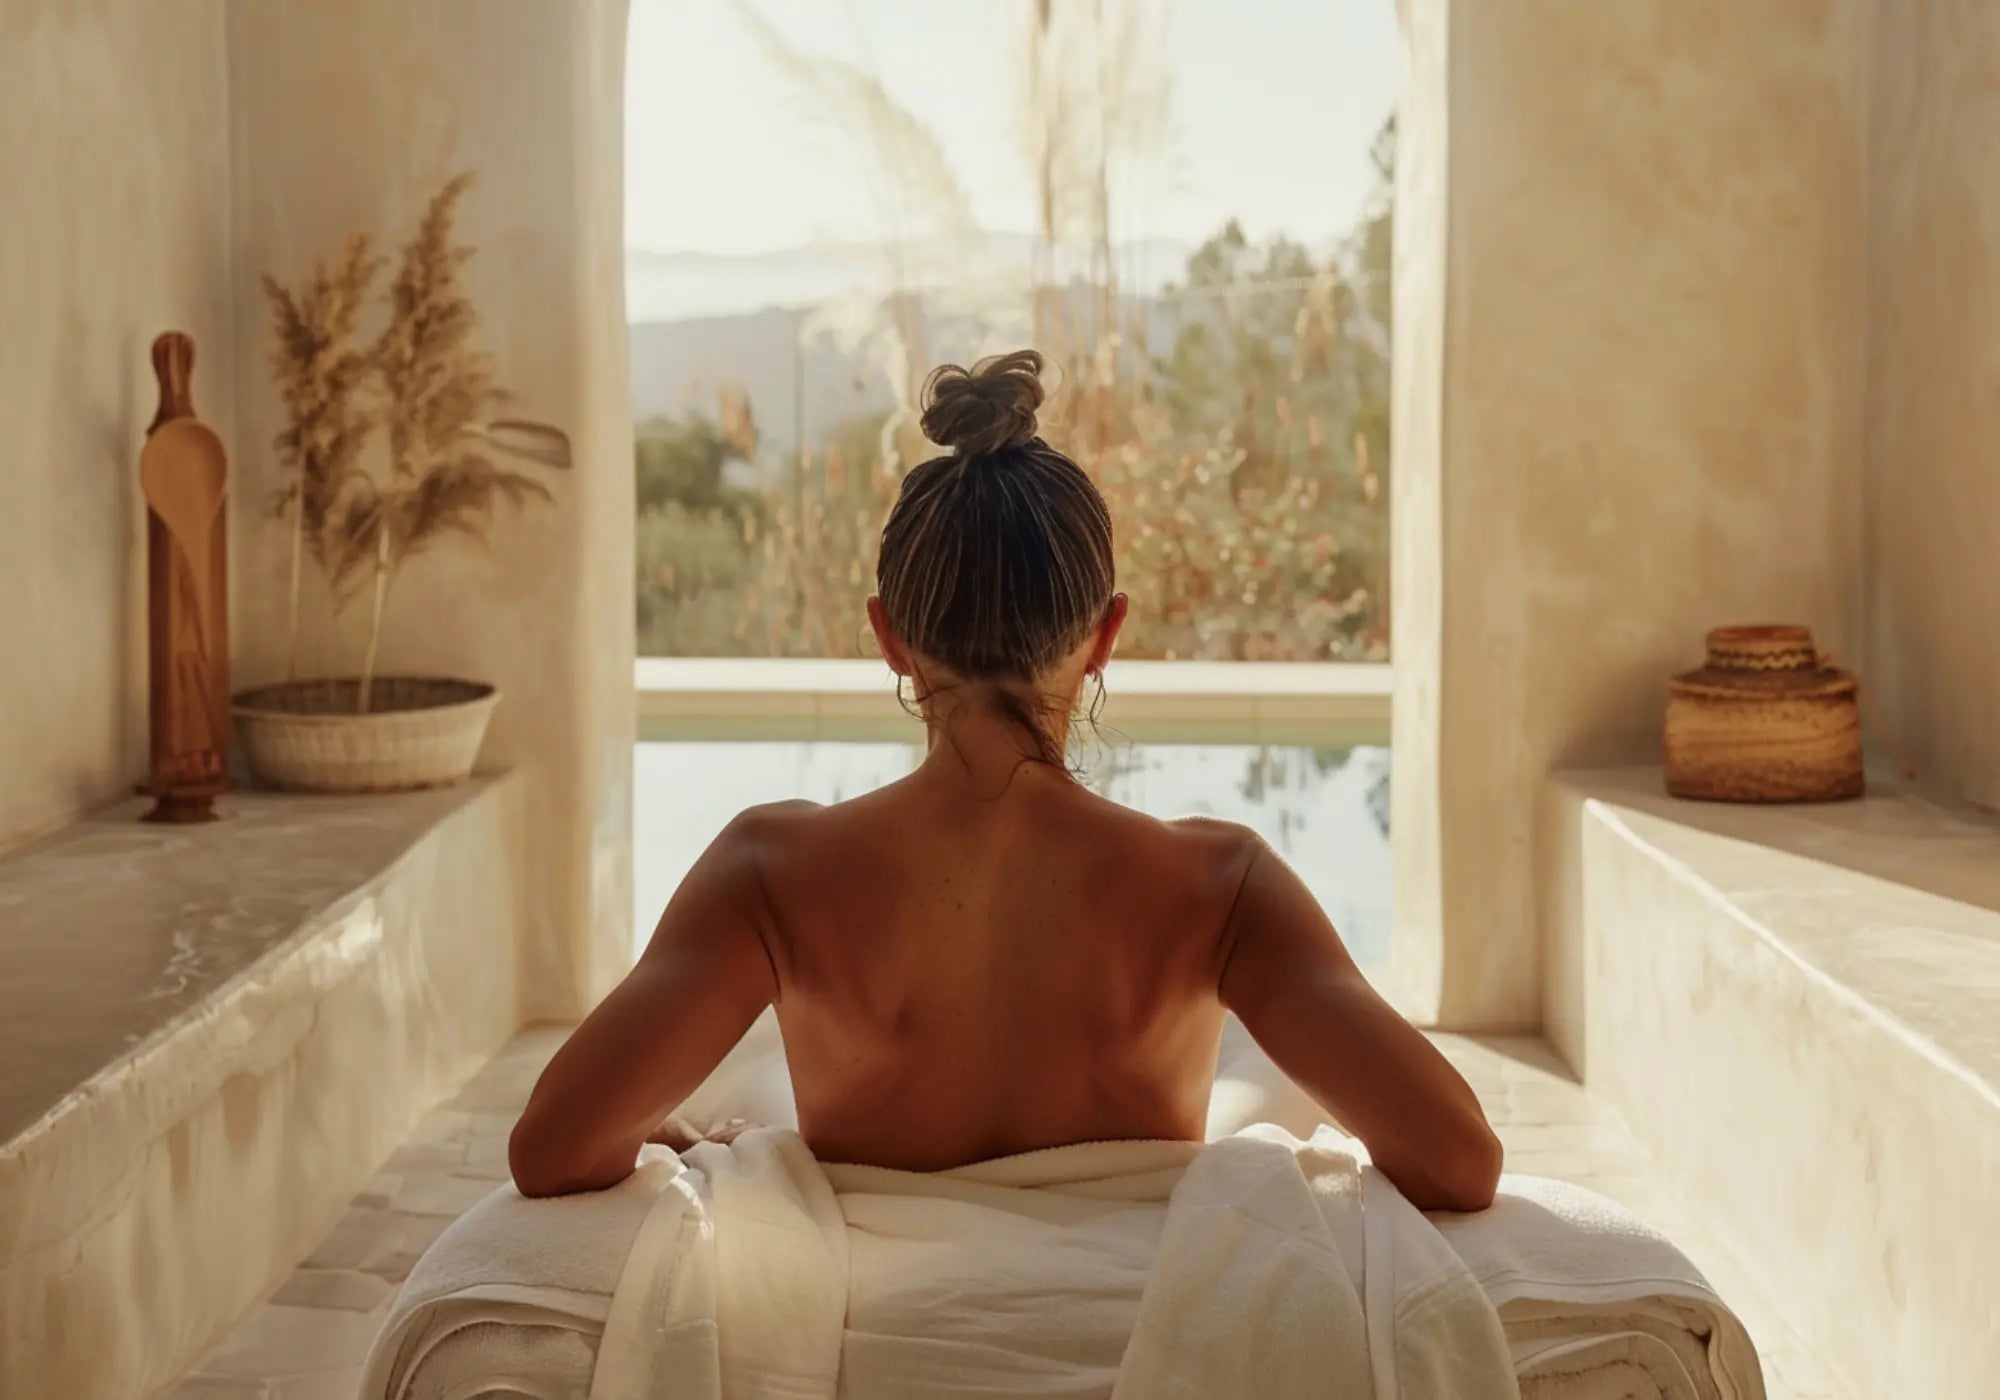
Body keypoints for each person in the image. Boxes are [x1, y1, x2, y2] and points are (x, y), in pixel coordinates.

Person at [509, 350, 1501, 1211]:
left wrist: (679, 1141)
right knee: (1272, 1089)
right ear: (1105, 635)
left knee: (750, 1087)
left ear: (889, 636)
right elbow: (1459, 1160)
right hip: (1130, 1296)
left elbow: (552, 1147)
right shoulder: (1221, 885)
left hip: (878, 1266)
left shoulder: (768, 870)